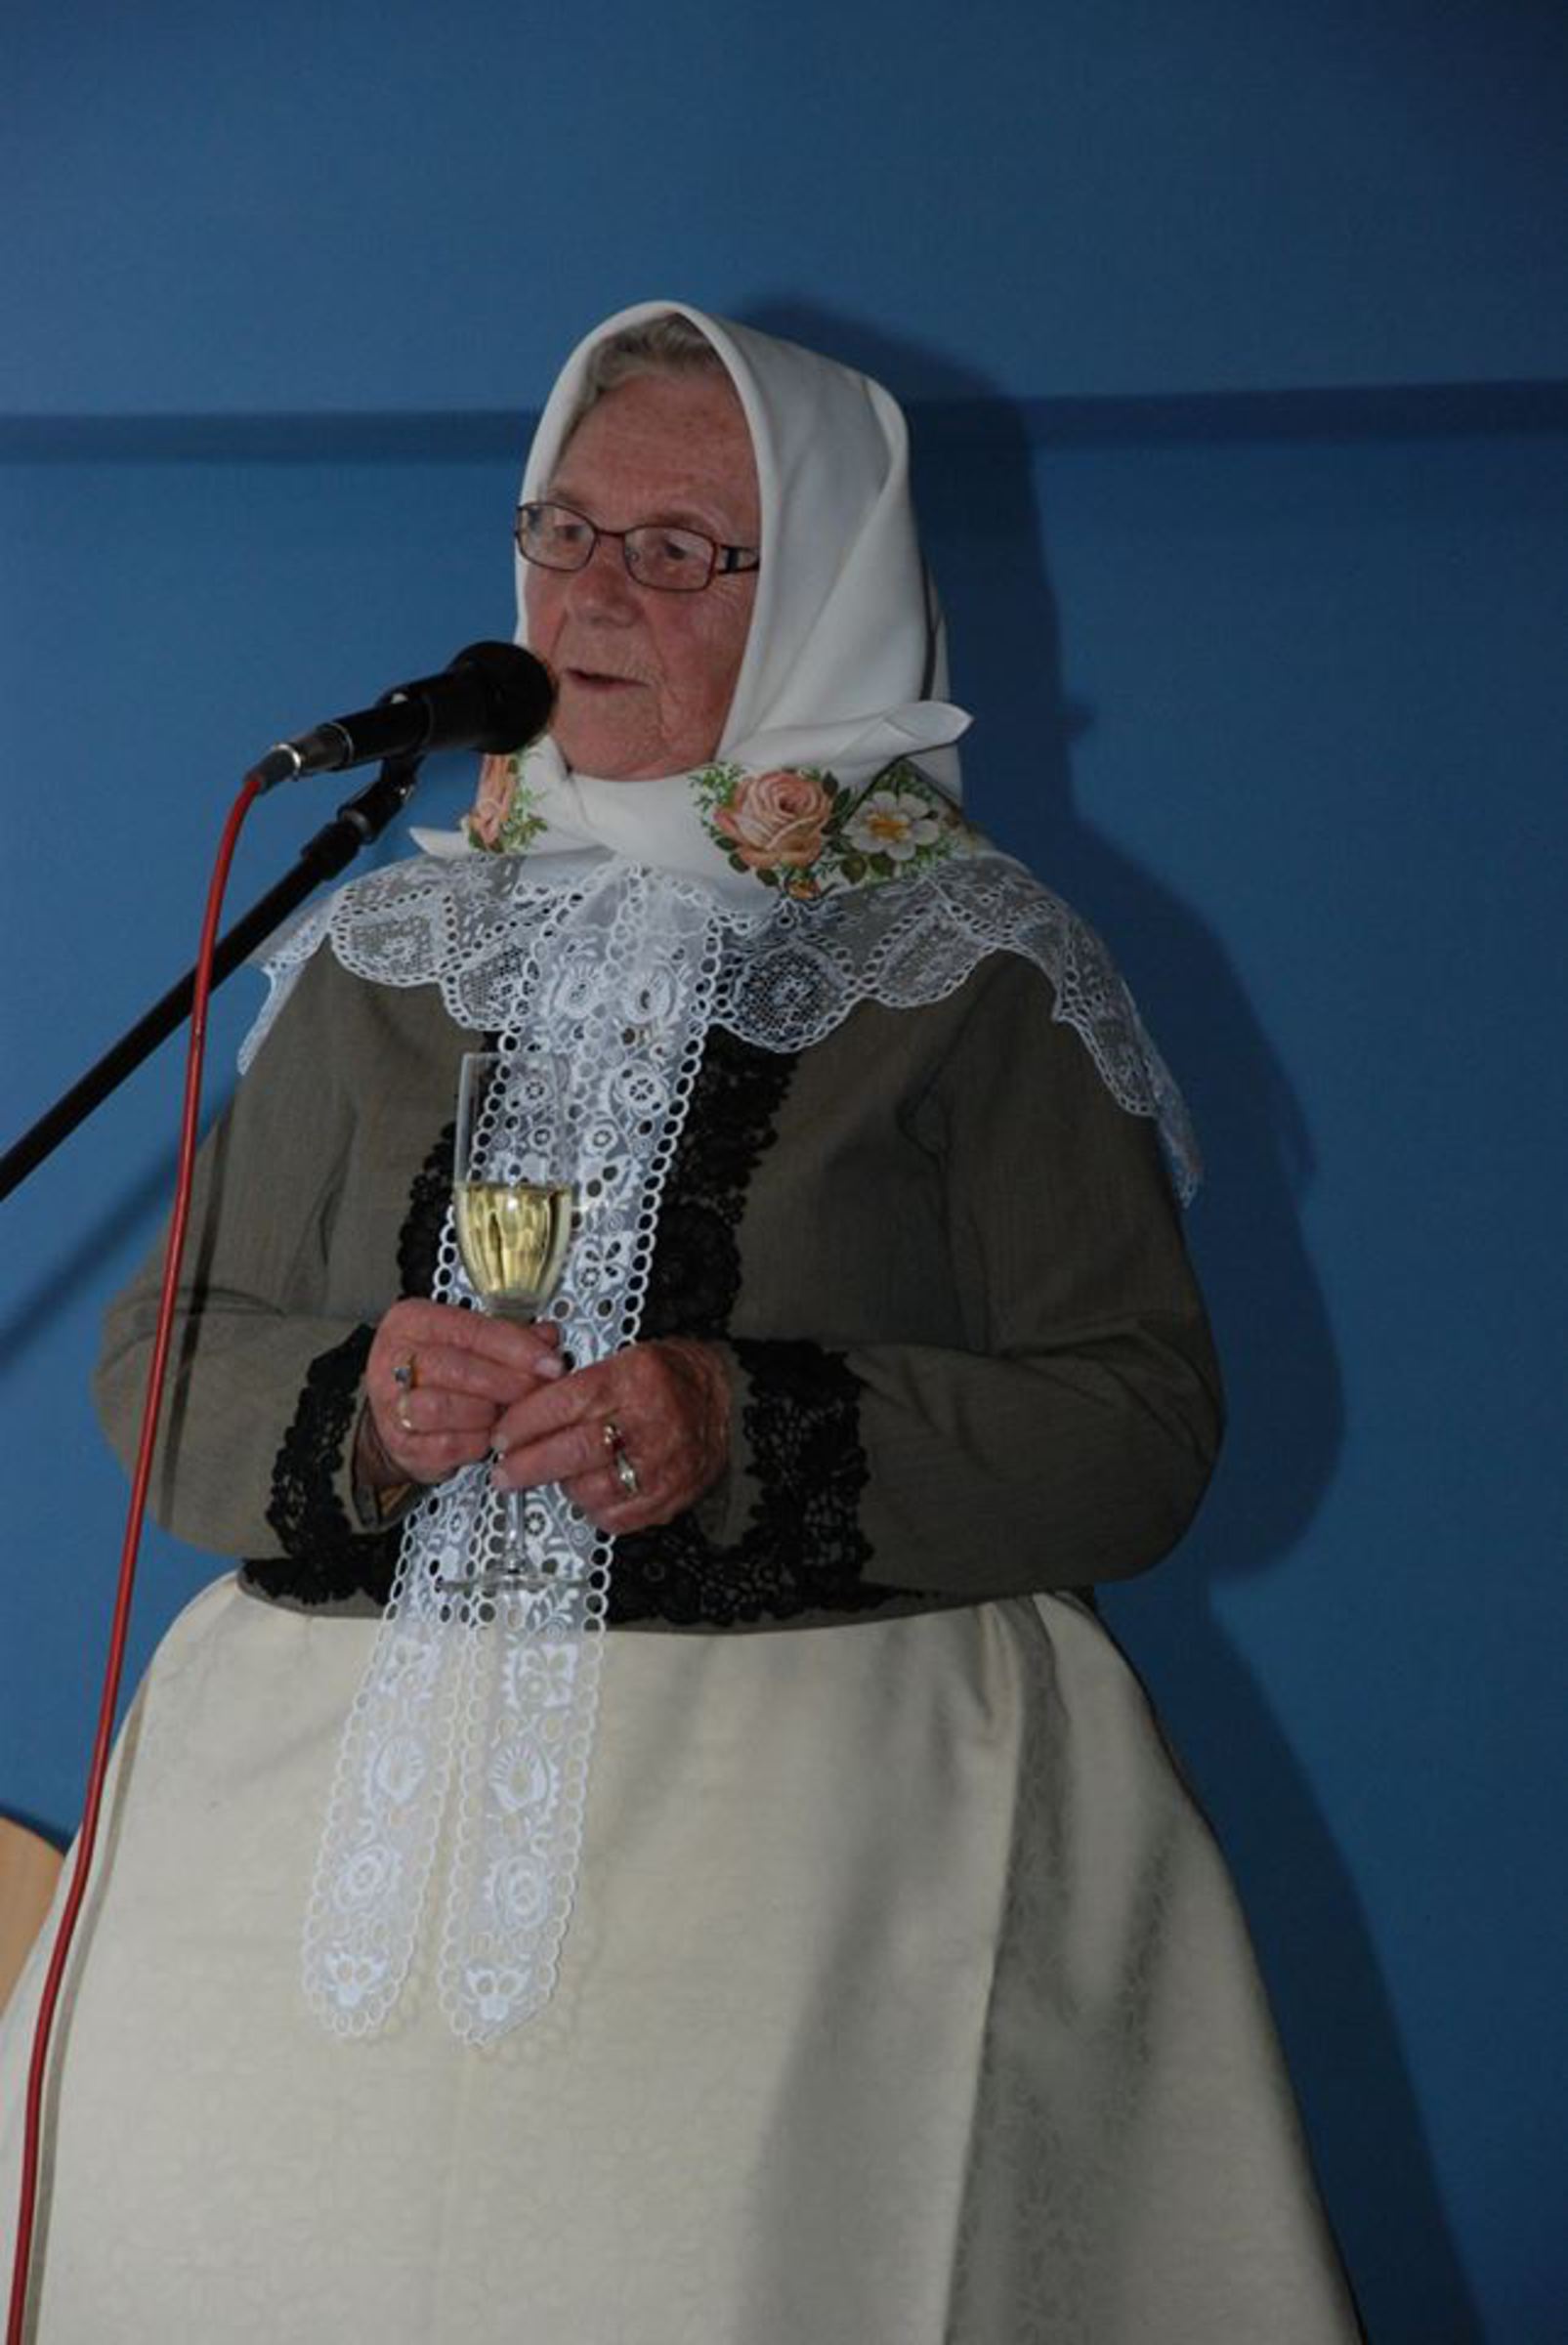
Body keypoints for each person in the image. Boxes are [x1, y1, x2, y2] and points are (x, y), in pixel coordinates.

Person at [0, 303, 1361, 2341]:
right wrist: (363, 1408)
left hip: (815, 1887)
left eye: (680, 551)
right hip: (296, 1852)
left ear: (824, 593)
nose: (593, 592)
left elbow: (1134, 1424)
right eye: (565, 529)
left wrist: (745, 1423)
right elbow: (162, 1352)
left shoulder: (974, 968)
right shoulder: (376, 942)